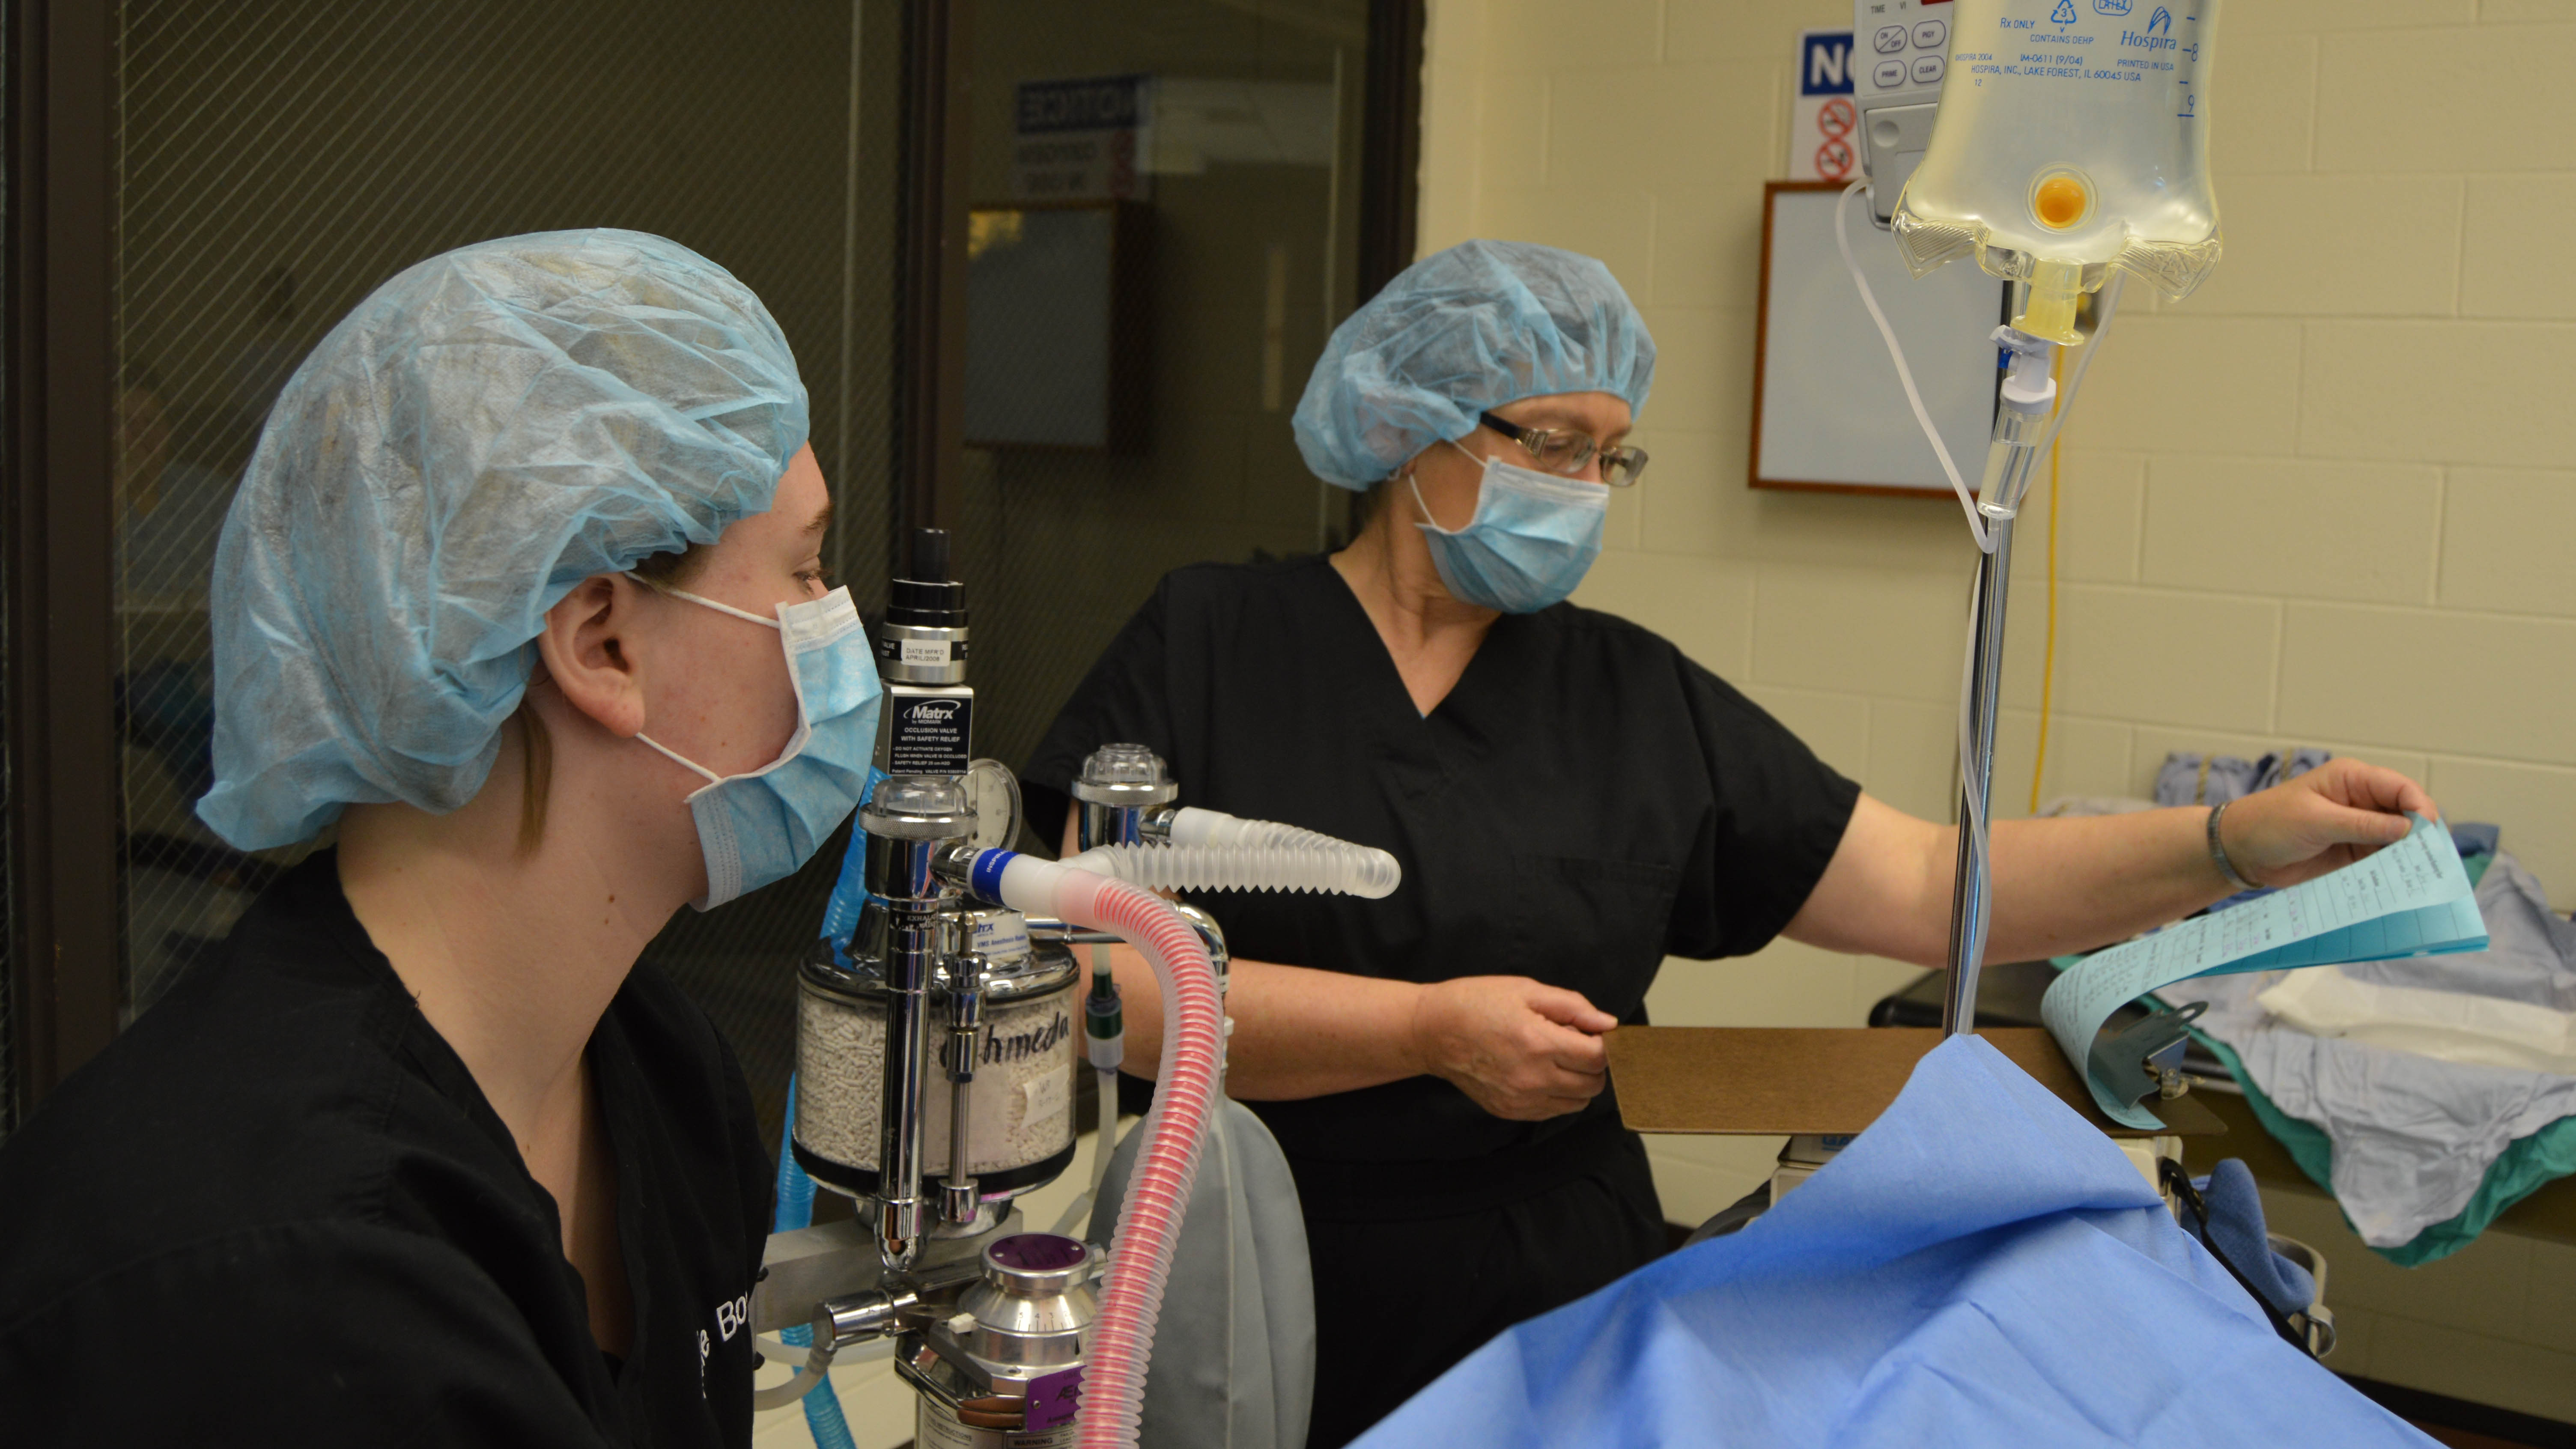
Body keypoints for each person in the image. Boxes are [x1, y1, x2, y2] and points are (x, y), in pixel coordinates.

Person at [1019, 239, 2438, 1447]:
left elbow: (1936, 891)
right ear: (1415, 429)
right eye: (1550, 443)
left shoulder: (1633, 697)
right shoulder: (1209, 641)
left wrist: (2232, 841)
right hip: (1245, 1257)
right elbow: (1106, 978)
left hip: (1562, 1293)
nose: (1583, 484)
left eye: (1610, 455)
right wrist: (1427, 1031)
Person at [0, 230, 879, 1445]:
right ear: (600, 644)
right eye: (804, 567)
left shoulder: (662, 1076)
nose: (834, 631)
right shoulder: (282, 1280)